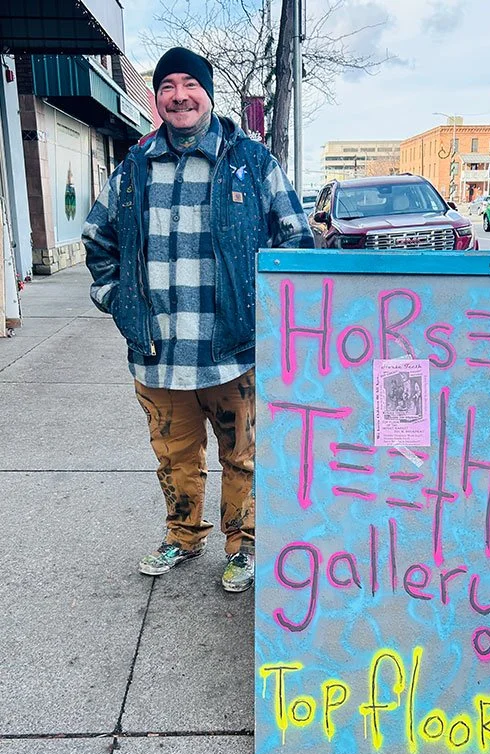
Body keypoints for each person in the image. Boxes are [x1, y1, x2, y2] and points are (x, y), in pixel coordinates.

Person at [82, 47, 313, 592]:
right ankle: (183, 536)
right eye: (167, 86)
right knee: (174, 458)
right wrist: (118, 300)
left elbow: (296, 244)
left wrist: (273, 323)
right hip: (157, 355)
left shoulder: (253, 164)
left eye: (190, 83)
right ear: (157, 97)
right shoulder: (133, 170)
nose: (179, 95)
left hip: (232, 352)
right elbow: (97, 239)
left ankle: (243, 546)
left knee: (244, 458)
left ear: (208, 93)